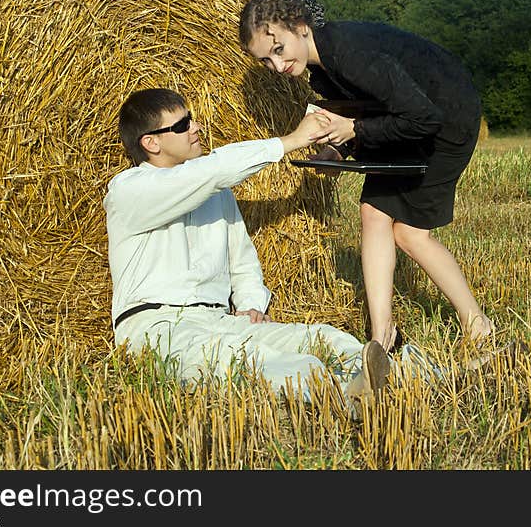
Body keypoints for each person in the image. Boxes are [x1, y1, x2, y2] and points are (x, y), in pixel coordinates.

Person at [104, 87, 392, 411]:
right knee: (258, 362)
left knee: (323, 337)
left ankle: (400, 377)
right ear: (151, 143)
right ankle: (348, 398)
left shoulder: (217, 193)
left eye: (191, 118)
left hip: (219, 319)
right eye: (182, 125)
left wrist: (251, 304)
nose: (196, 127)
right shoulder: (128, 191)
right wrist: (291, 141)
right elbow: (213, 171)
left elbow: (241, 260)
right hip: (156, 328)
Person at [239, 0, 493, 354]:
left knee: (410, 234)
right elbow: (372, 109)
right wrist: (339, 150)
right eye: (265, 60)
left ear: (300, 26)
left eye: (278, 50)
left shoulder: (351, 54)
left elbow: (422, 117)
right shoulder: (320, 69)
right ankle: (382, 335)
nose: (277, 67)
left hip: (448, 120)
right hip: (413, 120)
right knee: (373, 213)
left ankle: (478, 325)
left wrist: (355, 132)